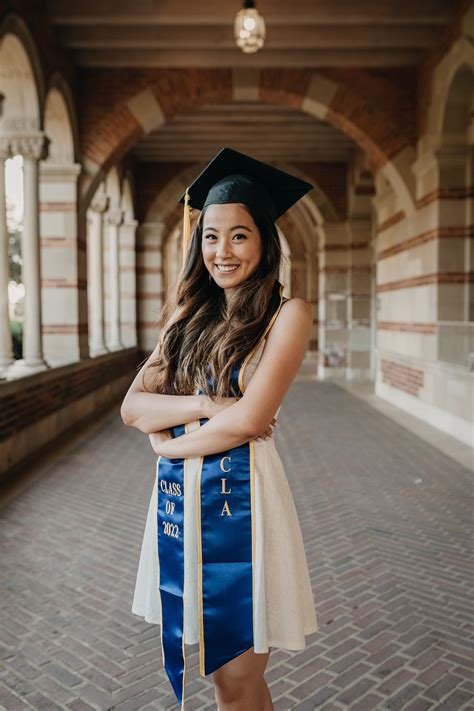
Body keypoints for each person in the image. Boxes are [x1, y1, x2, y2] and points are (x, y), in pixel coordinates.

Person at [120, 147, 319, 711]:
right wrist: (210, 404)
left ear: (263, 241)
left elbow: (253, 419)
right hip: (180, 503)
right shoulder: (186, 318)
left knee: (236, 679)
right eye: (210, 236)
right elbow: (133, 407)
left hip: (246, 503)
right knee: (220, 676)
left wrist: (169, 441)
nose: (222, 251)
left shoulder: (288, 314)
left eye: (239, 235)